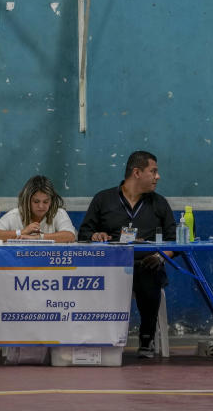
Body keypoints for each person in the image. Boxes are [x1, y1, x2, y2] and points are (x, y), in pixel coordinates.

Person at [78, 150, 177, 359]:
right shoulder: (103, 199)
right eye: (154, 171)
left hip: (145, 265)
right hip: (109, 268)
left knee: (149, 273)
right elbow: (83, 234)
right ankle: (99, 336)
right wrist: (95, 235)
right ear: (137, 173)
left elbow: (174, 241)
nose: (158, 177)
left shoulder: (159, 203)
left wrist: (160, 256)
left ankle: (147, 338)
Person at [0, 175, 76, 242]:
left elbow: (70, 236)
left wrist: (38, 237)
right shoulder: (15, 214)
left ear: (51, 201)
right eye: (36, 202)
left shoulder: (58, 213)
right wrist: (22, 232)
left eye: (45, 202)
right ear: (27, 201)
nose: (41, 206)